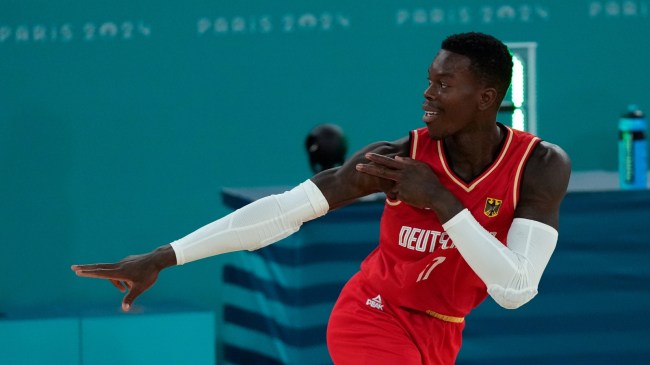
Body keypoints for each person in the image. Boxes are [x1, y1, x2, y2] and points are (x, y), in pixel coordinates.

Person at [72, 32, 571, 364]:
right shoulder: (395, 159)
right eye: (428, 80)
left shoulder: (541, 165)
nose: (428, 94)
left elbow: (516, 289)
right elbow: (284, 211)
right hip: (371, 313)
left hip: (443, 332)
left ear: (486, 97)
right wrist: (163, 256)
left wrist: (441, 201)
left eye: (444, 84)